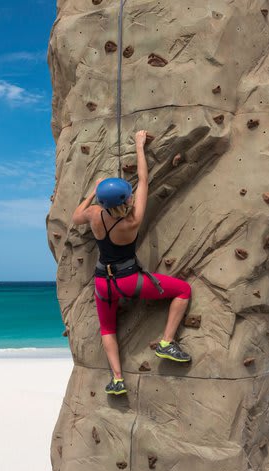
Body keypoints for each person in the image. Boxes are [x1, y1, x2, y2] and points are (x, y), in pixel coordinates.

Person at [72, 130, 192, 395]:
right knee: (183, 290)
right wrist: (139, 146)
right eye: (127, 195)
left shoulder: (94, 215)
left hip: (104, 283)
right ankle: (166, 342)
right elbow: (143, 180)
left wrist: (94, 193)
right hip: (130, 281)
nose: (129, 197)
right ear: (125, 199)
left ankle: (117, 379)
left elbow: (75, 216)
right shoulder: (132, 221)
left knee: (107, 328)